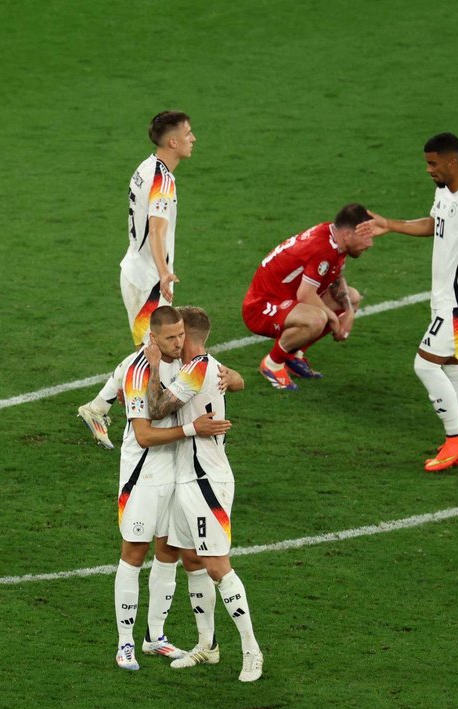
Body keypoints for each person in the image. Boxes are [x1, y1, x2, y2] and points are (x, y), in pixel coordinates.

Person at [358, 133, 458, 471]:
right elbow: (435, 224)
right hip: (446, 298)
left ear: (452, 161)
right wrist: (391, 225)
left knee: (425, 365)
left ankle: (454, 437)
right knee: (457, 371)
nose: (428, 169)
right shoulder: (444, 190)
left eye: (433, 163)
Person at [145, 306, 264, 682]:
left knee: (215, 564)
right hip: (186, 478)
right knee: (192, 561)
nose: (174, 340)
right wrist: (237, 378)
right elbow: (232, 378)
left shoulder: (197, 368)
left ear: (188, 336)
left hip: (206, 480)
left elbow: (157, 409)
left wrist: (151, 368)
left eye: (179, 335)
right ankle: (207, 646)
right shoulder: (202, 366)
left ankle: (252, 651)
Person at [113, 306, 231, 671]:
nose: (179, 343)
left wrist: (234, 377)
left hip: (180, 475)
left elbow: (218, 374)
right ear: (153, 337)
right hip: (143, 476)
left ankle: (155, 637)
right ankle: (125, 645)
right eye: (170, 338)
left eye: (181, 335)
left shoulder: (185, 363)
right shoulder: (138, 370)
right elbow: (145, 435)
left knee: (170, 551)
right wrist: (194, 429)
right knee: (134, 552)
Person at [78, 111, 197, 448]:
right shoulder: (164, 180)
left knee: (150, 351)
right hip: (146, 280)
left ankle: (101, 406)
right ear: (172, 141)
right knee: (151, 352)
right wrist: (163, 273)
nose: (193, 139)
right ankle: (99, 407)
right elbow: (157, 228)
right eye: (188, 134)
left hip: (134, 270)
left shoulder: (145, 167)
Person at [242, 204, 374, 391]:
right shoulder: (322, 248)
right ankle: (273, 364)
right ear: (348, 235)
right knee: (317, 318)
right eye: (366, 237)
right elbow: (305, 294)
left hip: (285, 298)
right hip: (261, 307)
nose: (370, 244)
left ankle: (294, 355)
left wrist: (349, 313)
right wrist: (333, 317)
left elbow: (337, 278)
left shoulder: (333, 236)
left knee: (351, 297)